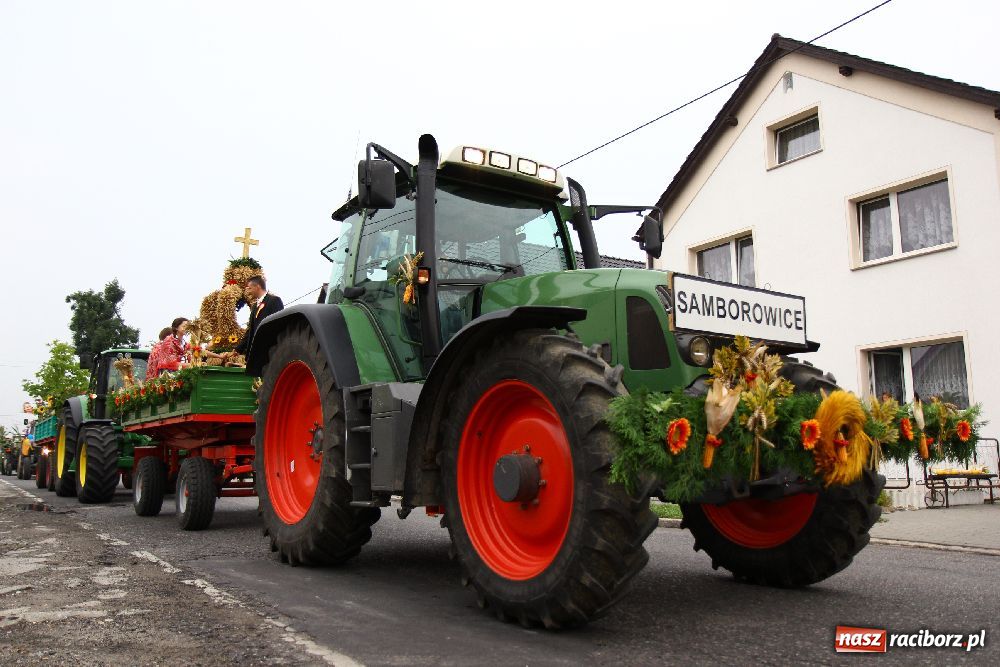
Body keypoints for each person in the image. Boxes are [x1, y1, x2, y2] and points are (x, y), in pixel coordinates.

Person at [232, 276, 284, 358]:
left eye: (249, 288)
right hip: (254, 354)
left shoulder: (274, 301)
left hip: (270, 353)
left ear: (258, 286)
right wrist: (238, 349)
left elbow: (279, 326)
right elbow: (250, 330)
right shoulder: (255, 307)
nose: (248, 291)